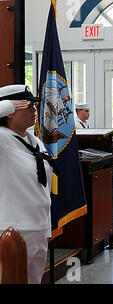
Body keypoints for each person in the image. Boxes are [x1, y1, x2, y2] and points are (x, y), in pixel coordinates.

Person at [0, 84, 55, 284]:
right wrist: (5, 105)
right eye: (28, 106)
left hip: (37, 226)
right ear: (10, 113)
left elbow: (44, 188)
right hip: (11, 229)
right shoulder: (2, 139)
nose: (34, 111)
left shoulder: (36, 142)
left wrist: (46, 227)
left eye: (34, 106)